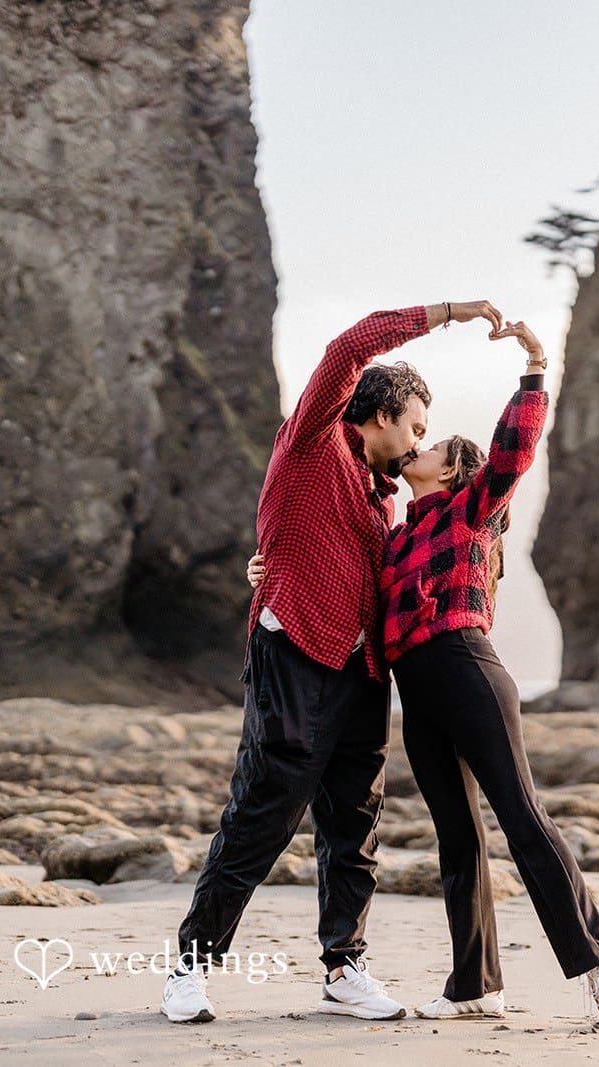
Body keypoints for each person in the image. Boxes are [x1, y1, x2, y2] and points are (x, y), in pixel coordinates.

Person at [246, 320, 599, 1027]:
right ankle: (475, 985)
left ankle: (598, 952)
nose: (419, 445)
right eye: (417, 435)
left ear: (455, 471)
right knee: (456, 835)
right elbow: (332, 564)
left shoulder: (469, 510)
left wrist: (535, 368)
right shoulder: (394, 531)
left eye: (434, 443)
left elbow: (513, 453)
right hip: (415, 691)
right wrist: (268, 569)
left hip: (465, 670)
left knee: (519, 815)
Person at [163, 299, 505, 1025]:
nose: (418, 439)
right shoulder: (313, 443)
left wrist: (272, 560)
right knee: (265, 806)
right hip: (293, 649)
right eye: (415, 424)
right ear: (378, 412)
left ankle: (343, 970)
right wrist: (451, 311)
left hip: (362, 672)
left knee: (355, 821)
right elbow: (354, 343)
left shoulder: (387, 501)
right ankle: (191, 967)